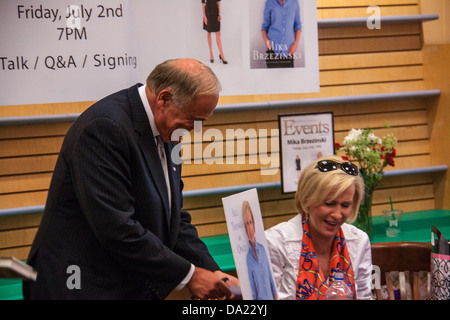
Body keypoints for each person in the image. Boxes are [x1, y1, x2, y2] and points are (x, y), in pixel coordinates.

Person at [23, 58, 238, 300]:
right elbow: (117, 228)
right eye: (193, 119)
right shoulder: (104, 128)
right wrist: (191, 275)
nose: (195, 129)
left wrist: (216, 274)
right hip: (79, 285)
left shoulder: (167, 130)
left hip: (122, 283)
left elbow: (173, 219)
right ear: (164, 99)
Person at [265, 155, 373, 300]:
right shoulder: (275, 243)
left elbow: (364, 297)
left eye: (345, 205)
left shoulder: (359, 240)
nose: (337, 214)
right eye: (329, 203)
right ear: (307, 199)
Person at [242, 201, 277, 300]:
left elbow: (271, 282)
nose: (250, 228)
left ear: (254, 223)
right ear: (245, 228)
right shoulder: (248, 258)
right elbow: (254, 291)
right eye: (246, 224)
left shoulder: (263, 249)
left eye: (250, 222)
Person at [261, 0, 302, 68]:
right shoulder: (269, 2)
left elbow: (298, 26)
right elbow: (264, 27)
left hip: (288, 51)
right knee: (271, 78)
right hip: (273, 50)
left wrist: (295, 45)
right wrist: (267, 42)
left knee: (289, 78)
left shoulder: (294, 2)